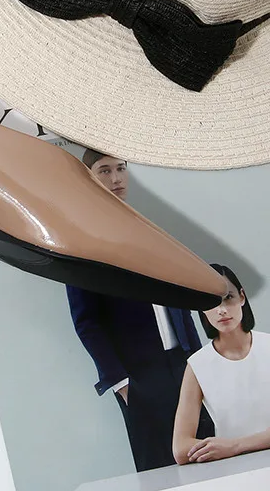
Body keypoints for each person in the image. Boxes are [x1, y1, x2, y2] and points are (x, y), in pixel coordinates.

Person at [66, 149, 213, 472]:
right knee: (159, 469)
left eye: (121, 168)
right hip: (138, 376)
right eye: (105, 171)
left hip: (184, 364)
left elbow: (178, 300)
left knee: (207, 455)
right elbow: (86, 321)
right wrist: (121, 383)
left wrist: (200, 361)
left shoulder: (148, 228)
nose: (116, 178)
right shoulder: (83, 240)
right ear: (89, 177)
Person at [173, 265, 270, 465]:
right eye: (212, 302)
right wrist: (224, 448)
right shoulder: (197, 365)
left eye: (228, 297)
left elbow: (230, 446)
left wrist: (234, 446)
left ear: (242, 297)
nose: (222, 310)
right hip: (232, 471)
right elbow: (180, 448)